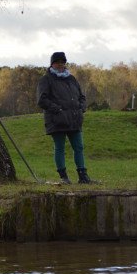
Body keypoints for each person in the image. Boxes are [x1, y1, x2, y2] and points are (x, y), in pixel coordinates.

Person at [37, 51, 93, 184]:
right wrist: (58, 109)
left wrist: (81, 107)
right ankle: (64, 177)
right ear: (52, 64)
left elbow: (81, 96)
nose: (61, 65)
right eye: (58, 62)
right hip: (57, 120)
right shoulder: (46, 80)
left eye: (63, 62)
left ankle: (83, 176)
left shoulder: (71, 79)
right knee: (60, 148)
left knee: (79, 147)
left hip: (74, 119)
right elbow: (41, 100)